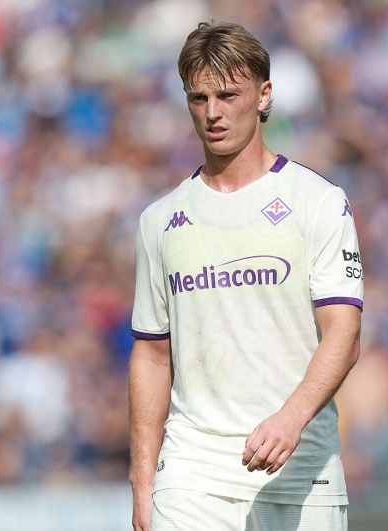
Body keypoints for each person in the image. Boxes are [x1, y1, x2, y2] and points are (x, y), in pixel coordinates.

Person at [128, 21, 364, 531]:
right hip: (192, 474)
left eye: (228, 95)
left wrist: (290, 419)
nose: (213, 113)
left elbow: (343, 336)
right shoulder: (159, 221)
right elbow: (150, 352)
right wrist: (144, 480)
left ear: (264, 95)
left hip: (300, 471)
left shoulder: (317, 203)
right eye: (199, 98)